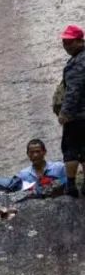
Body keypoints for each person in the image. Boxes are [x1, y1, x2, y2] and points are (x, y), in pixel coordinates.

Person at [56, 25, 85, 197]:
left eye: (69, 42)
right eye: (64, 42)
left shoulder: (78, 63)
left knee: (71, 150)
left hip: (78, 116)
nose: (66, 45)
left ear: (80, 41)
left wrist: (65, 114)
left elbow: (74, 90)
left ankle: (71, 186)